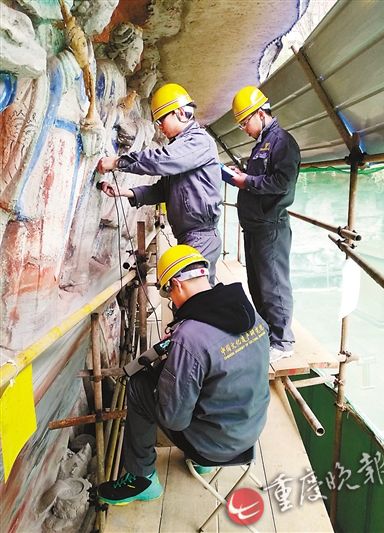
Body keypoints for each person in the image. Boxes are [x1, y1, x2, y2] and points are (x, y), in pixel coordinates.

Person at [97, 244, 270, 505]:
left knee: (138, 384)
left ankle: (141, 478)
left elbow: (174, 419)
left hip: (215, 446)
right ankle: (202, 466)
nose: (173, 303)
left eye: (169, 295)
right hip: (250, 429)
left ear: (176, 284)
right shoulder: (251, 315)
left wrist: (172, 364)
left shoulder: (189, 338)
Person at [97, 83, 222, 285]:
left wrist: (119, 162)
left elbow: (161, 160)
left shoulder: (198, 142)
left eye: (162, 119)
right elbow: (162, 190)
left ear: (180, 112)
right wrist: (125, 192)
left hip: (200, 237)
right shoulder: (182, 148)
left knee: (196, 298)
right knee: (194, 297)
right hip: (191, 237)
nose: (160, 126)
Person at [230, 86, 300, 362]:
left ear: (260, 113)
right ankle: (267, 333)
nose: (245, 128)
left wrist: (246, 181)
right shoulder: (262, 143)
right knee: (257, 283)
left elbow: (282, 184)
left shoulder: (283, 142)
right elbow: (262, 178)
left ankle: (283, 341)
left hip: (271, 226)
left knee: (274, 284)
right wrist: (242, 174)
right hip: (255, 226)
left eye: (245, 121)